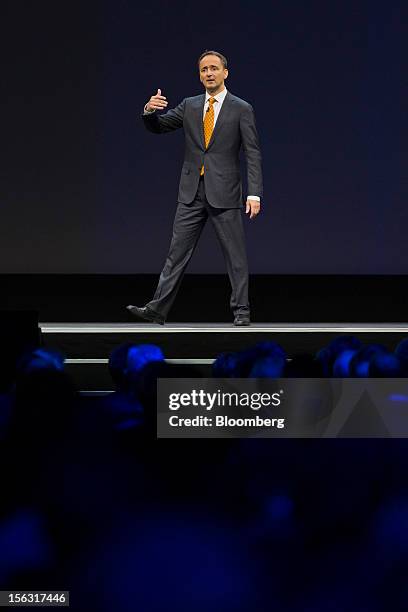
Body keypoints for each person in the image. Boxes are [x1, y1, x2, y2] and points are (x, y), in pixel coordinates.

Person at [127, 50, 263, 326]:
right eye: (203, 70)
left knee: (235, 257)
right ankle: (157, 309)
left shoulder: (241, 108)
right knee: (176, 254)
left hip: (225, 191)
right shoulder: (190, 105)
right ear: (199, 75)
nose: (209, 73)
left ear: (225, 72)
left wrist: (254, 193)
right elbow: (161, 126)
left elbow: (252, 152)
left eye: (214, 68)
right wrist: (149, 112)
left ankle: (242, 311)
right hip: (192, 191)